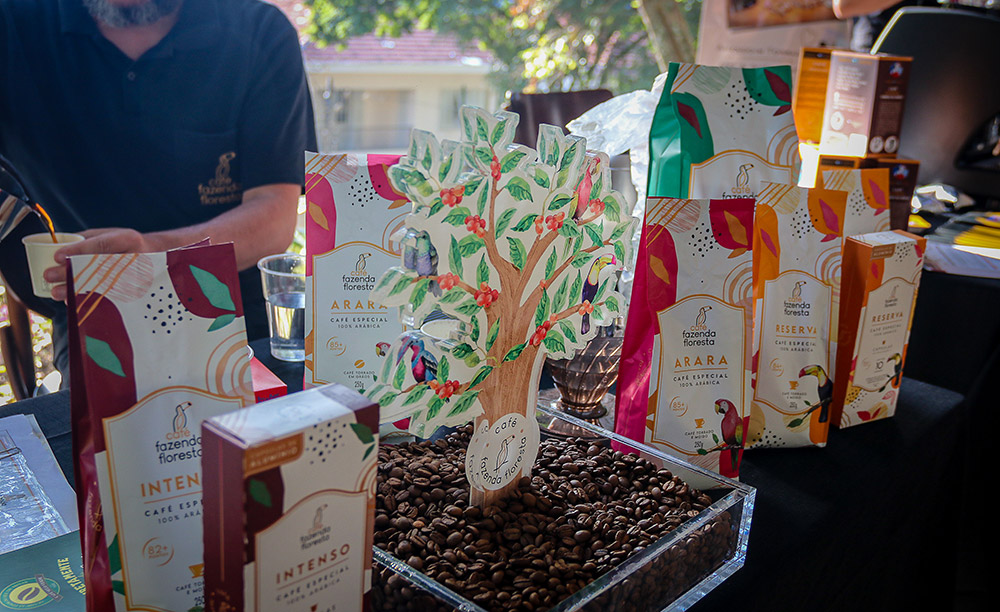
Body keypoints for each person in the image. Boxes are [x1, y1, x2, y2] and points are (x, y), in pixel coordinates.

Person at [0, 0, 317, 375]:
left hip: (239, 313)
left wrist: (155, 255)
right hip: (96, 317)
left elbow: (273, 220)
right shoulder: (14, 25)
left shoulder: (258, 30)